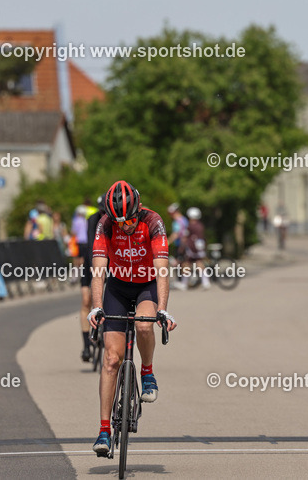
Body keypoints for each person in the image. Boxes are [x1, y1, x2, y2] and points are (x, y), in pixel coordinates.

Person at [88, 181, 177, 457]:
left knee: (143, 323)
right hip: (117, 286)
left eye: (128, 220)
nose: (123, 225)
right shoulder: (105, 225)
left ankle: (147, 372)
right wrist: (96, 307)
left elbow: (162, 270)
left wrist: (162, 308)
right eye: (118, 221)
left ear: (137, 209)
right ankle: (104, 431)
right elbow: (99, 272)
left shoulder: (153, 222)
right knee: (111, 360)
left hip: (146, 286)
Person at [80, 195, 103, 362]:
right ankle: (86, 345)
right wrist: (96, 273)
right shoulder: (92, 219)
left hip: (108, 262)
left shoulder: (115, 220)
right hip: (91, 261)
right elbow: (90, 246)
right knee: (86, 300)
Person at [182, 207, 210, 289]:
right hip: (200, 247)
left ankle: (184, 283)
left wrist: (182, 247)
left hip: (192, 247)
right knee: (199, 263)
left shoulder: (190, 226)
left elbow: (185, 236)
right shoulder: (200, 225)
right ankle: (206, 282)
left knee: (186, 264)